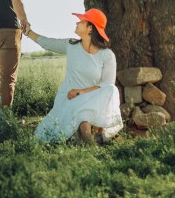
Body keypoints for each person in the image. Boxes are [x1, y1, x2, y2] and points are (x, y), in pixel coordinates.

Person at [23, 9, 122, 143]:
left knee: (112, 89)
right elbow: (47, 42)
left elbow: (107, 83)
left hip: (89, 99)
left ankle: (92, 137)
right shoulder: (71, 46)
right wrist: (28, 31)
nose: (77, 22)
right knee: (48, 132)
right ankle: (88, 140)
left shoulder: (107, 55)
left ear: (90, 28)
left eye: (81, 21)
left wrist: (82, 92)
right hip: (69, 98)